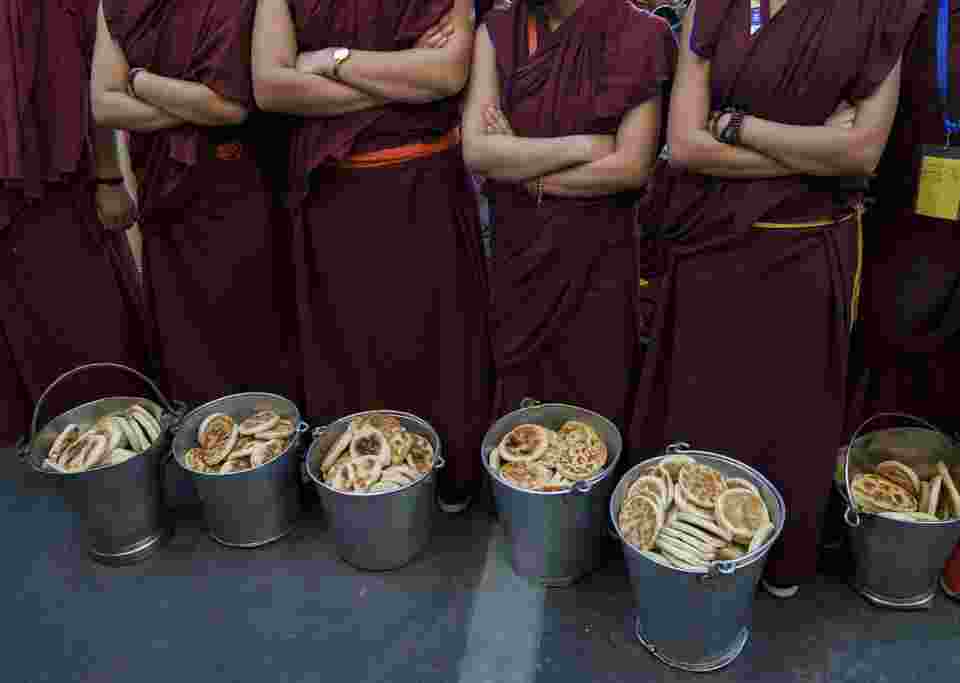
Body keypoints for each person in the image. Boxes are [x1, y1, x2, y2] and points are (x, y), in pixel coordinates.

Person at [631, 0, 923, 597]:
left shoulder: (882, 11)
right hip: (712, 249)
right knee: (703, 403)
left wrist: (738, 126)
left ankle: (782, 556)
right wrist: (813, 151)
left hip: (806, 254)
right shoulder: (714, 6)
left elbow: (864, 153)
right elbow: (685, 146)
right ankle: (686, 551)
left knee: (786, 416)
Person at [252, 0, 493, 511]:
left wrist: (330, 59)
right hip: (334, 199)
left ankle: (448, 476)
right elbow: (271, 87)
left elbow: (447, 74)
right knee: (350, 351)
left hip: (423, 190)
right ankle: (355, 484)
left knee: (434, 346)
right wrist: (400, 84)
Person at [848, 0, 960, 603]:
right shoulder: (914, 11)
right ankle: (864, 494)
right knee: (884, 351)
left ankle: (956, 524)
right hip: (902, 211)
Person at [462, 0, 676, 432]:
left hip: (599, 260)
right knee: (520, 409)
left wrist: (525, 174)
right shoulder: (498, 30)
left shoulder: (642, 35)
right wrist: (584, 146)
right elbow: (479, 151)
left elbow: (630, 167)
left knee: (594, 401)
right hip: (517, 253)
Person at [92, 0, 300, 408]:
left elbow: (228, 109)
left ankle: (273, 448)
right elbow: (103, 104)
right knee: (184, 336)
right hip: (165, 199)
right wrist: (192, 106)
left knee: (256, 330)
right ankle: (200, 452)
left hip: (239, 190)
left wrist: (137, 80)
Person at [0, 0, 150, 446]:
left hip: (56, 186)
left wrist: (108, 177)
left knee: (90, 329)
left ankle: (119, 455)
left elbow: (92, 74)